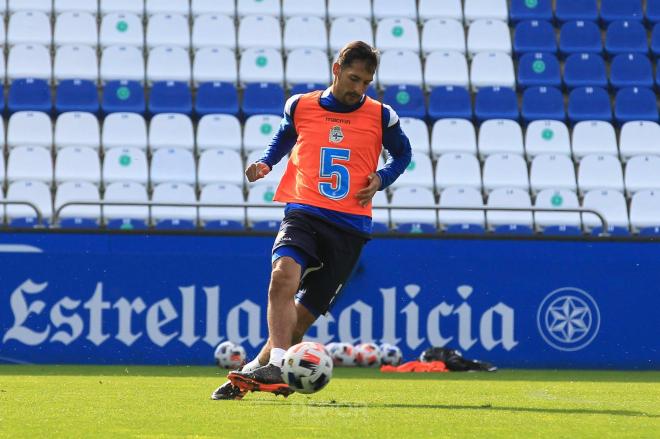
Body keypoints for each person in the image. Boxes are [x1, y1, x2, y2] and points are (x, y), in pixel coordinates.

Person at [212, 41, 412, 400]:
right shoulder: (301, 105)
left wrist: (383, 178)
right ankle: (276, 362)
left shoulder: (382, 115)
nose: (358, 89)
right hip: (303, 210)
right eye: (353, 78)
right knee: (281, 277)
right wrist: (267, 162)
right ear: (337, 69)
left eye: (366, 82)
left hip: (350, 226)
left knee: (299, 322)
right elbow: (285, 135)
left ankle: (250, 375)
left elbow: (403, 154)